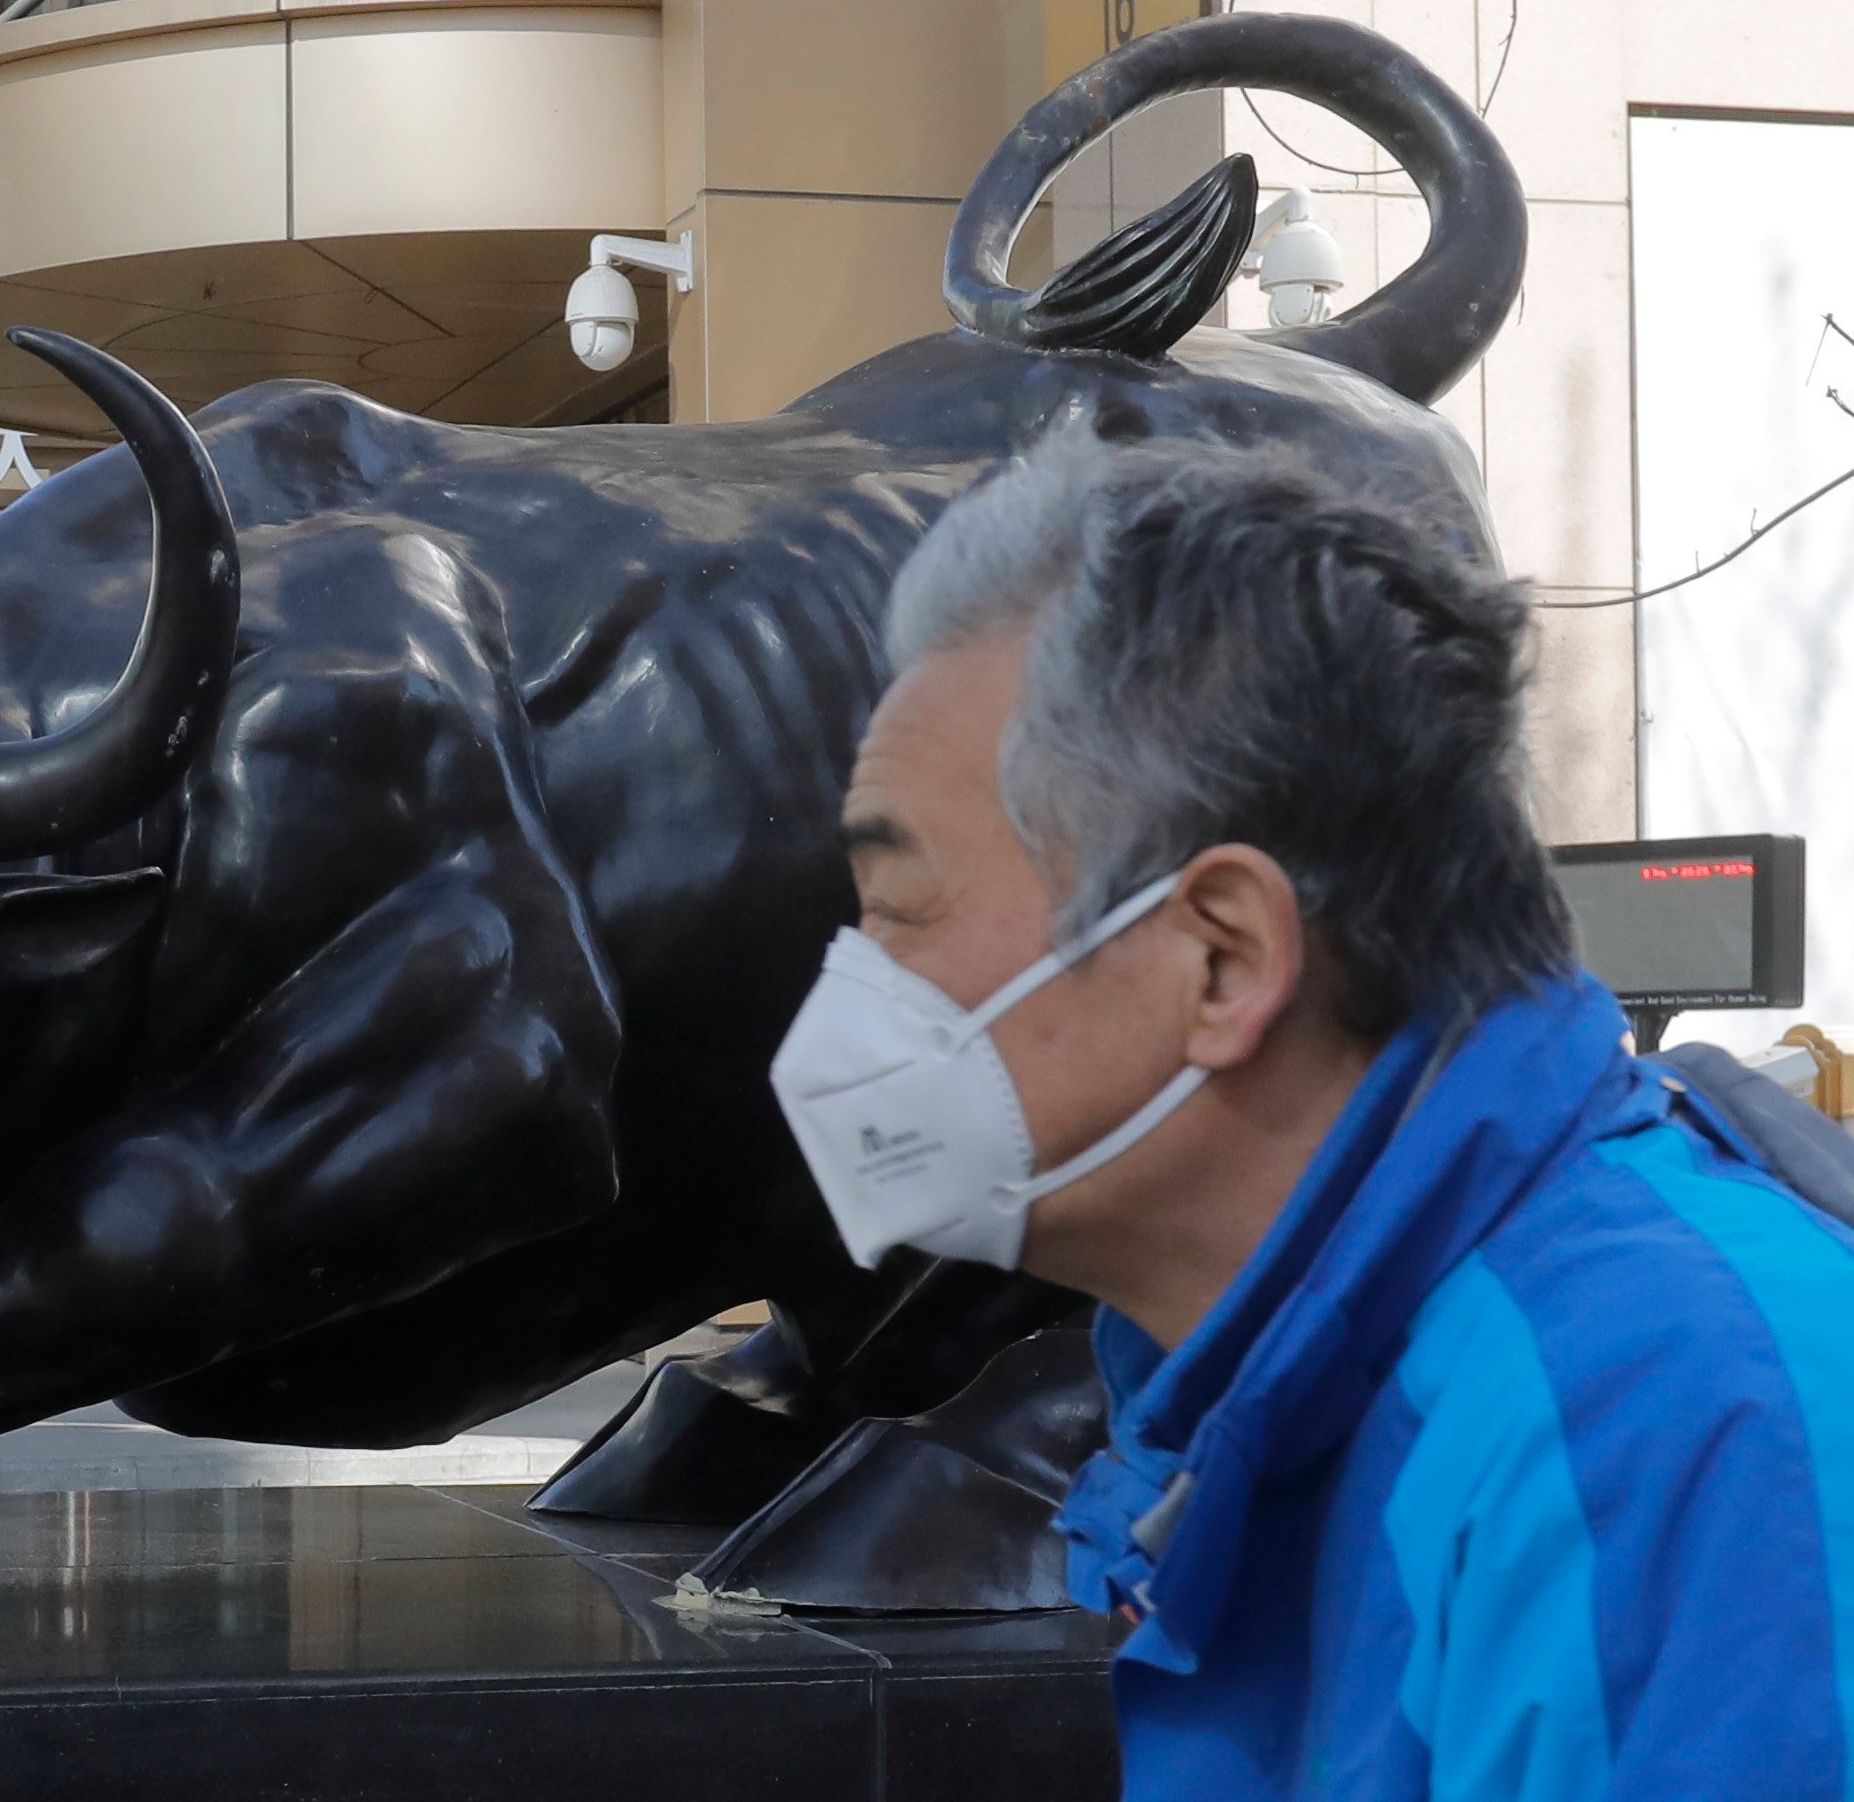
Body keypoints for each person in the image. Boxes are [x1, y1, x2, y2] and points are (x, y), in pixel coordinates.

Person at [767, 424, 1854, 1799]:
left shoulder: (1668, 1429)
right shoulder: (1290, 1384)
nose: (851, 996)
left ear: (1220, 957)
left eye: (894, 912)